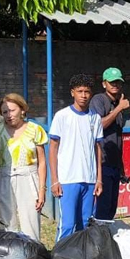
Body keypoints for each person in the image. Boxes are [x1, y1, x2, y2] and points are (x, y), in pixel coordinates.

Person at [49, 74, 103, 241]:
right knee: (67, 225)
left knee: (85, 224)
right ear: (72, 92)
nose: (83, 95)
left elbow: (97, 149)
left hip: (89, 180)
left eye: (87, 91)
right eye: (80, 91)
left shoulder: (95, 117)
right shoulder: (62, 116)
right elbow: (53, 148)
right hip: (68, 179)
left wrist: (99, 179)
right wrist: (55, 180)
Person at [0, 94, 48, 241]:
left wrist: (42, 190)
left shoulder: (35, 129)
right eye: (5, 112)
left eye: (12, 110)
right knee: (7, 225)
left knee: (30, 225)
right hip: (4, 178)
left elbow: (42, 162)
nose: (8, 115)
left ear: (22, 110)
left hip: (28, 178)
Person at [90, 67, 130, 220]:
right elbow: (99, 125)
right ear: (104, 84)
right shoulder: (99, 100)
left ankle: (105, 239)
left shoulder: (116, 103)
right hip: (102, 163)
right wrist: (120, 107)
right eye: (111, 82)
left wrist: (121, 167)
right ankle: (98, 241)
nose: (115, 85)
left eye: (118, 82)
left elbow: (117, 138)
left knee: (112, 207)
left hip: (114, 164)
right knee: (102, 208)